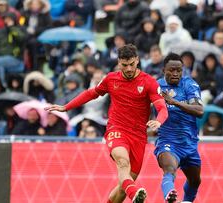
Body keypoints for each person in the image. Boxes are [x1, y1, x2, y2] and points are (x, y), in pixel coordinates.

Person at [45, 44, 168, 203]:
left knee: (122, 189)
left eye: (131, 64)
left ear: (137, 60)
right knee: (123, 163)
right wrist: (66, 107)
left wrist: (159, 121)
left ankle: (130, 190)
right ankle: (135, 194)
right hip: (116, 129)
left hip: (138, 136)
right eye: (125, 65)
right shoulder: (111, 79)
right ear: (118, 62)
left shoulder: (149, 82)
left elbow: (162, 107)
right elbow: (91, 94)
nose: (129, 68)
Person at [155, 53, 203, 202]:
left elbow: (199, 110)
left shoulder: (189, 85)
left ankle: (187, 201)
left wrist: (174, 102)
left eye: (179, 70)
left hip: (189, 143)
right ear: (164, 70)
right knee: (169, 169)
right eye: (171, 70)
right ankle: (169, 194)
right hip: (168, 141)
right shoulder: (156, 86)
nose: (175, 74)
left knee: (195, 181)